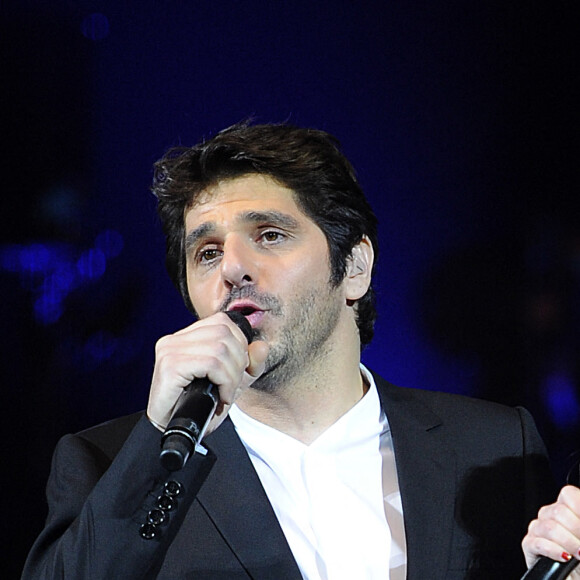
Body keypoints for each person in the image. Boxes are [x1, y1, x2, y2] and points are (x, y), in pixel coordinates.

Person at [22, 122, 559, 579]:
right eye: (207, 253)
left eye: (271, 235)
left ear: (353, 268)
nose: (232, 268)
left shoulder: (494, 446)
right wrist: (161, 439)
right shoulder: (111, 465)